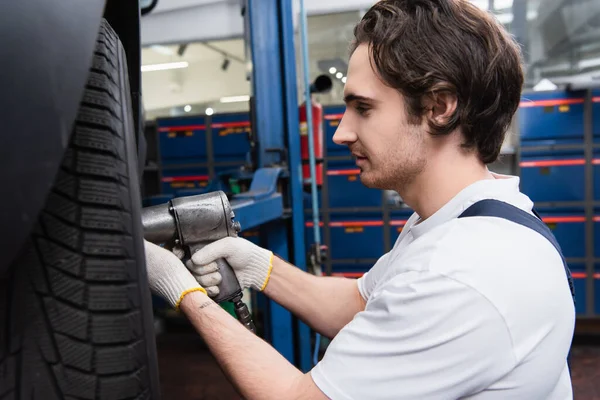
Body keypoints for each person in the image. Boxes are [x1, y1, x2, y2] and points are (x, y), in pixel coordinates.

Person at [144, 0, 576, 398]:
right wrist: (259, 266)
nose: (340, 132)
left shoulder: (461, 270)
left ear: (440, 107)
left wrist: (182, 291)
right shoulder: (469, 219)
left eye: (363, 108)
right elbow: (357, 304)